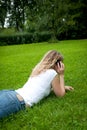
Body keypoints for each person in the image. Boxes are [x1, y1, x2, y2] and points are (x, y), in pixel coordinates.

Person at [0, 50, 74, 118]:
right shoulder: (52, 73)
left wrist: (63, 87)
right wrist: (61, 75)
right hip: (16, 101)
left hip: (11, 94)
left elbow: (42, 87)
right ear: (58, 64)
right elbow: (61, 95)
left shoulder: (39, 69)